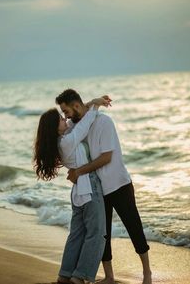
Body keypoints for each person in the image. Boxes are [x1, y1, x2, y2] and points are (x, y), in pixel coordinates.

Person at [56, 89, 152, 284]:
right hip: (97, 189)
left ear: (75, 106)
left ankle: (147, 273)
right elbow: (68, 133)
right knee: (103, 233)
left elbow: (106, 157)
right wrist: (94, 102)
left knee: (134, 226)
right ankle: (109, 276)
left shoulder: (104, 122)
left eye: (66, 111)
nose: (66, 116)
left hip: (118, 183)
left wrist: (78, 172)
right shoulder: (77, 125)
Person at [33, 96, 112, 284]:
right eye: (61, 119)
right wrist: (96, 106)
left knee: (77, 234)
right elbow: (84, 125)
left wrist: (91, 102)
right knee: (96, 234)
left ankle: (65, 274)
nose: (65, 119)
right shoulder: (66, 141)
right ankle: (80, 277)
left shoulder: (61, 142)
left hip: (78, 191)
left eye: (64, 115)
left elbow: (78, 118)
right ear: (55, 128)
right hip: (89, 187)